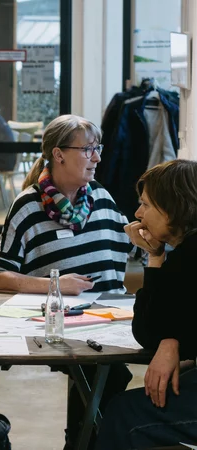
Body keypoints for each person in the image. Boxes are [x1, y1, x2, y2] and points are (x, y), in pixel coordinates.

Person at [0, 114, 134, 449]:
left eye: (98, 149)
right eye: (89, 150)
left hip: (107, 321)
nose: (97, 157)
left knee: (107, 377)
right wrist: (56, 285)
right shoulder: (27, 206)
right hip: (58, 325)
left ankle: (82, 442)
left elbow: (127, 242)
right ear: (58, 154)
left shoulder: (100, 197)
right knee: (106, 376)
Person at [96, 160, 197, 449]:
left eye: (146, 205)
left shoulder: (189, 255)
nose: (138, 214)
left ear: (174, 207)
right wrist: (173, 338)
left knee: (122, 414)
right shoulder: (186, 251)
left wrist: (153, 259)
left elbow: (147, 331)